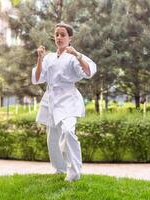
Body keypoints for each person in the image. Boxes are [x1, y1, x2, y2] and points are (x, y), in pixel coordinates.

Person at [31, 23, 97, 181]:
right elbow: (38, 78)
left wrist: (77, 55)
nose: (59, 37)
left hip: (68, 99)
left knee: (67, 131)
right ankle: (60, 170)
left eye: (62, 35)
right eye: (57, 34)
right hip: (51, 99)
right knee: (52, 138)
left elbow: (88, 72)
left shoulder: (73, 56)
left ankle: (74, 172)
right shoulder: (49, 58)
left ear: (70, 38)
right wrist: (39, 58)